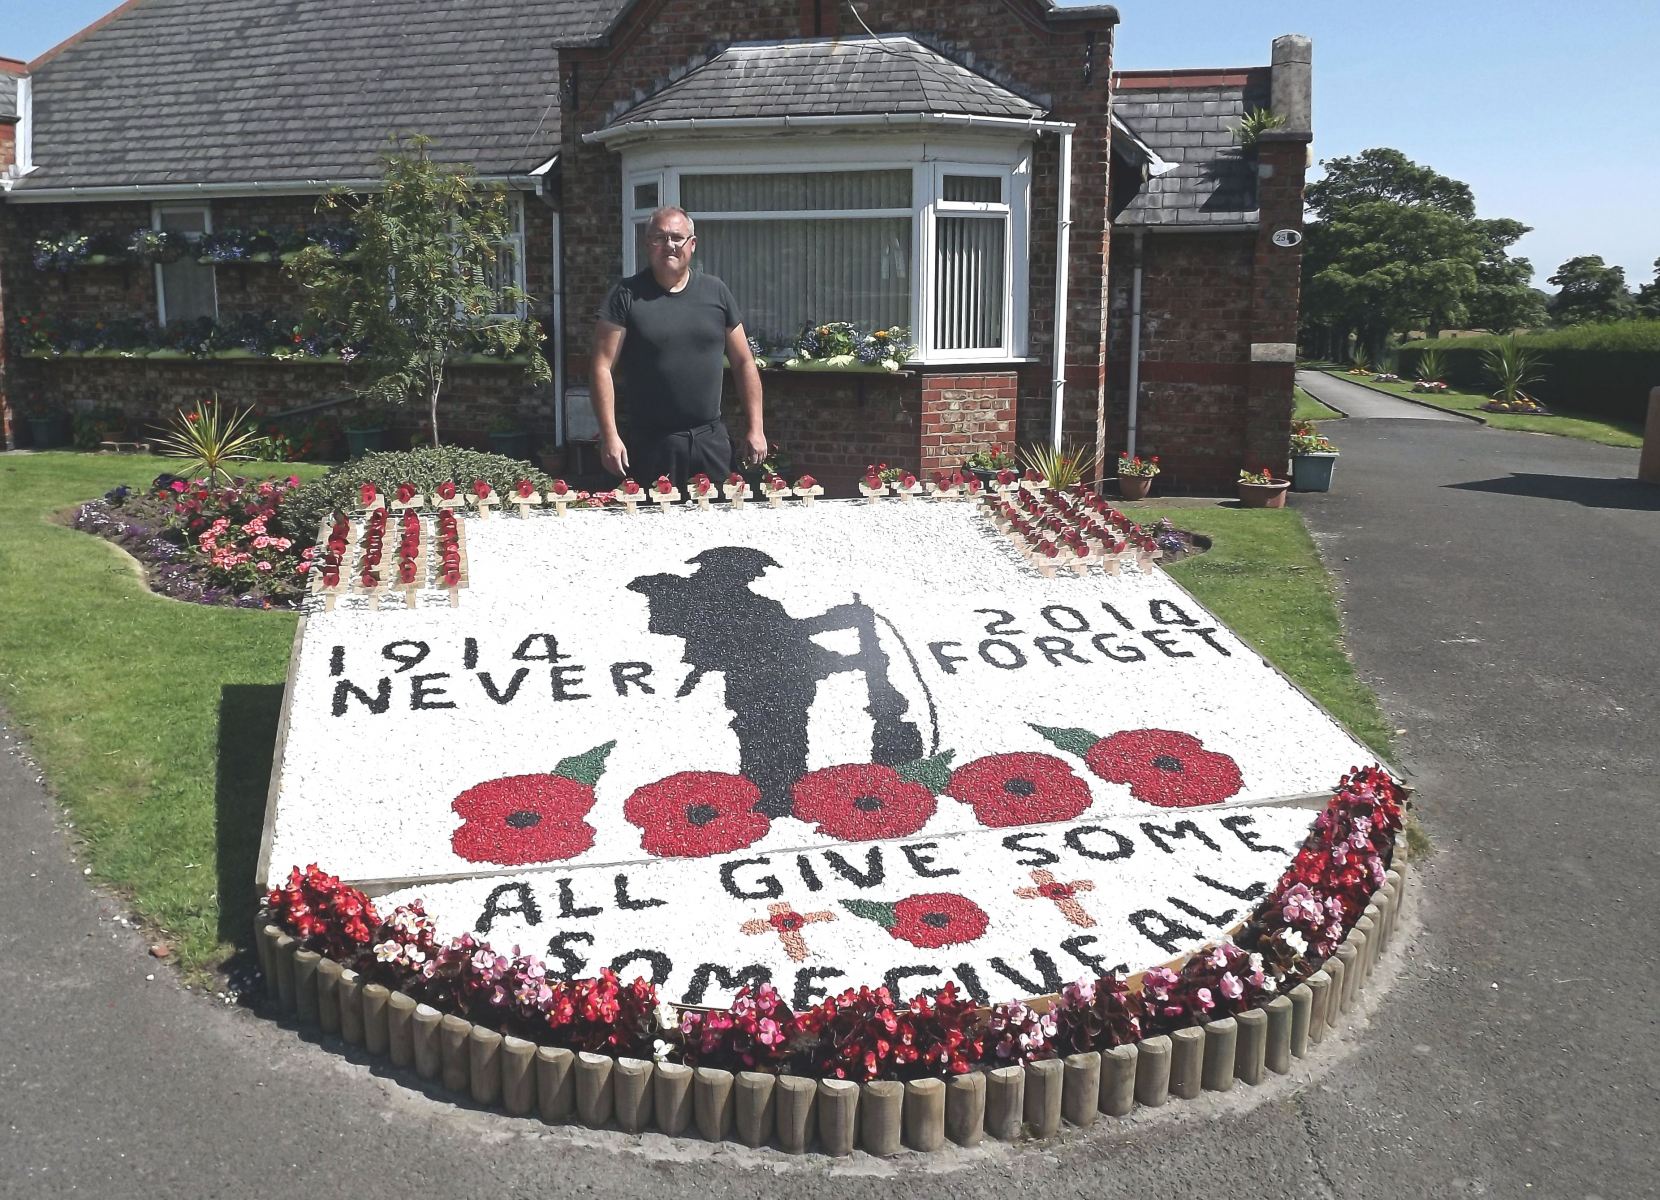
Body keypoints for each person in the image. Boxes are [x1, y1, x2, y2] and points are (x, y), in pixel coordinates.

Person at [591, 206, 767, 487]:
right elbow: (601, 367)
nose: (669, 245)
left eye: (677, 237)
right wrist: (609, 435)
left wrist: (756, 427)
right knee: (652, 515)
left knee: (722, 513)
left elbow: (744, 362)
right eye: (659, 238)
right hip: (651, 444)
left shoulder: (716, 292)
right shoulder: (625, 296)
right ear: (647, 244)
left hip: (711, 443)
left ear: (692, 244)